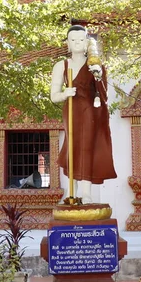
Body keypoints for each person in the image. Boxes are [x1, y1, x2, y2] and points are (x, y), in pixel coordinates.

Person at [50, 25, 117, 204]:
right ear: (68, 44)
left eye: (81, 40)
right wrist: (65, 93)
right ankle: (72, 191)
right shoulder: (62, 65)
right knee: (73, 145)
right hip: (72, 108)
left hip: (90, 110)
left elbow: (104, 94)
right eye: (73, 40)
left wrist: (98, 75)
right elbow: (54, 96)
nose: (77, 43)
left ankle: (86, 193)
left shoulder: (95, 65)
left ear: (87, 42)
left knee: (87, 147)